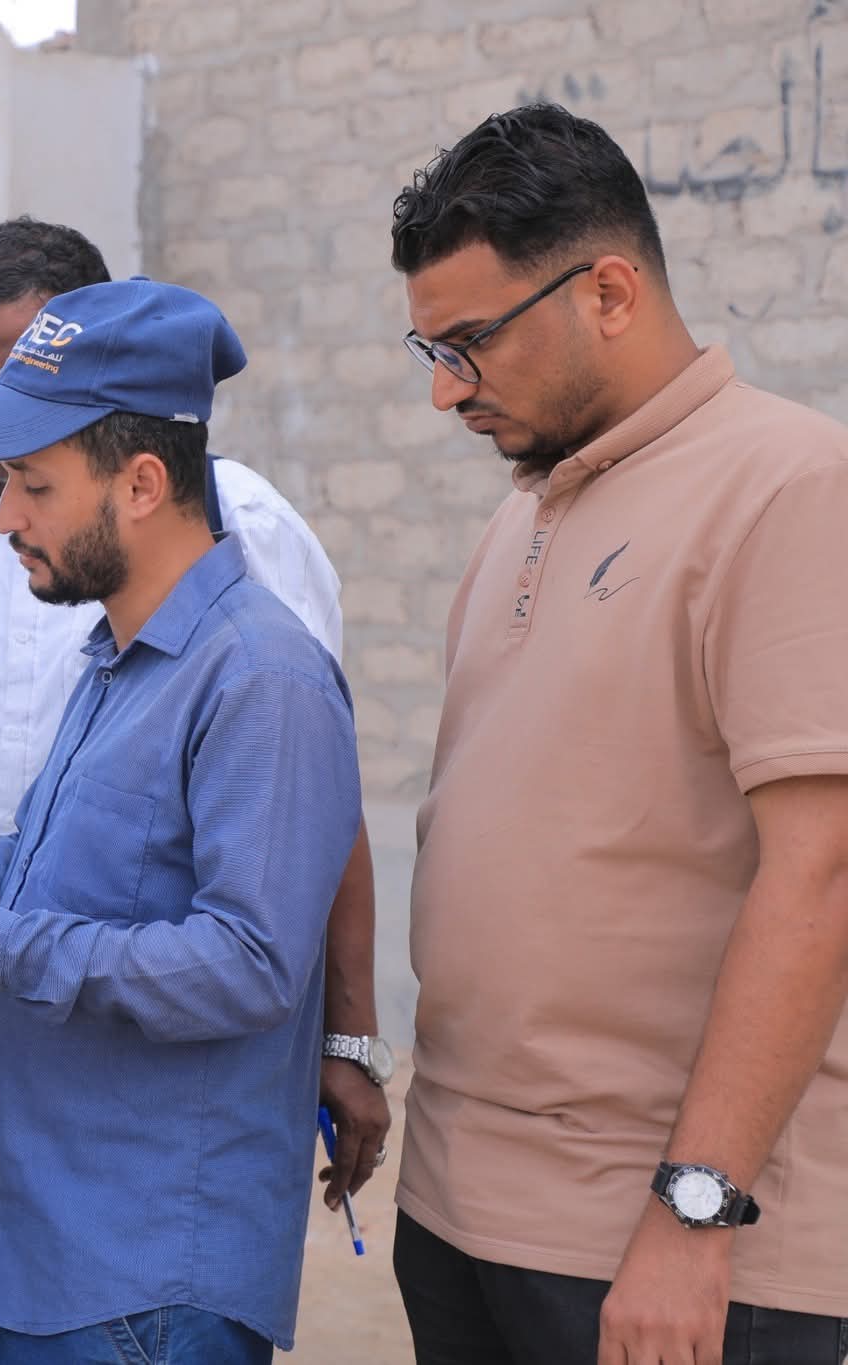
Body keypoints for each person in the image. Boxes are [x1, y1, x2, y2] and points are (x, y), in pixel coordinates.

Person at [0, 218, 392, 1365]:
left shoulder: (258, 678)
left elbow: (248, 966)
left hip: (142, 1273)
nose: (4, 515)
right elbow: (44, 868)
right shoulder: (122, 655)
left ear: (142, 484)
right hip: (50, 1237)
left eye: (35, 486)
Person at [390, 104, 848, 1364]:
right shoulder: (521, 513)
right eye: (426, 348)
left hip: (666, 1253)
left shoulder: (791, 486)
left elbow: (819, 875)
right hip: (463, 1213)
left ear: (605, 292)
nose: (441, 389)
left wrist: (692, 1214)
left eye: (469, 344)